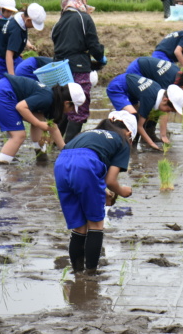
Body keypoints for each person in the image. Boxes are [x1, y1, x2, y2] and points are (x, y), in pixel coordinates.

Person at [54, 110, 135, 274]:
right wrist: (122, 191)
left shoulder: (88, 133)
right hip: (86, 165)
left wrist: (104, 193)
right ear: (128, 132)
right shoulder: (122, 140)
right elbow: (110, 181)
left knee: (79, 226)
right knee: (96, 224)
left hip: (61, 164)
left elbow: (91, 172)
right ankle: (91, 273)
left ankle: (77, 272)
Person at [51, 0, 106, 143]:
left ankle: (57, 145)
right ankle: (70, 146)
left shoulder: (58, 23)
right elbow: (93, 45)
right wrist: (101, 57)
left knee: (64, 104)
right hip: (78, 68)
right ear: (80, 2)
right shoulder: (84, 18)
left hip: (60, 69)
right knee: (79, 105)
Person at [0, 75, 85, 164]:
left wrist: (65, 150)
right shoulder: (47, 98)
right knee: (19, 135)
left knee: (39, 117)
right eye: (72, 108)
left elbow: (53, 127)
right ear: (67, 103)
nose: (70, 111)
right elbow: (21, 107)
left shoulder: (53, 99)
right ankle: (2, 168)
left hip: (6, 91)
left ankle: (41, 155)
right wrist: (38, 124)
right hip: (3, 93)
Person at [125, 56, 183, 142]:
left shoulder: (178, 75)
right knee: (142, 109)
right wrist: (163, 135)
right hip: (137, 71)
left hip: (143, 64)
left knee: (155, 106)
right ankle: (134, 138)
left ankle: (149, 133)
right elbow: (165, 110)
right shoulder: (168, 83)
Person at [106, 73, 183, 150]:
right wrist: (152, 144)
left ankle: (132, 145)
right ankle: (113, 139)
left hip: (128, 87)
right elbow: (139, 126)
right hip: (117, 88)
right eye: (169, 110)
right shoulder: (149, 99)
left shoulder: (157, 89)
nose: (168, 112)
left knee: (138, 116)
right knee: (133, 118)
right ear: (165, 100)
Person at [0, 3, 46, 77]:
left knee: (26, 70)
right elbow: (9, 54)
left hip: (14, 57)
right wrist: (13, 77)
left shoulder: (19, 19)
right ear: (28, 20)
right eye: (34, 25)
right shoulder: (16, 31)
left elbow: (11, 41)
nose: (33, 27)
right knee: (11, 82)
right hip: (3, 61)